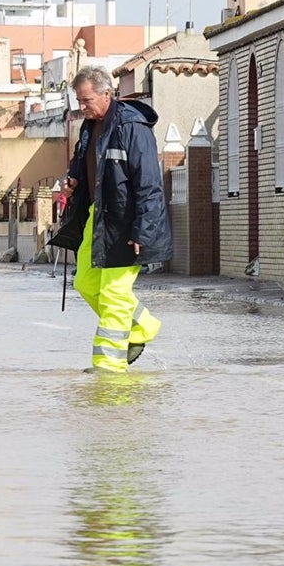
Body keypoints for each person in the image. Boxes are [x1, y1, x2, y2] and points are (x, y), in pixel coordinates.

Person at [59, 65, 172, 373]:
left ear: (106, 93)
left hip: (126, 221)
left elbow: (149, 183)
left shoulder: (131, 127)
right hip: (98, 217)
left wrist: (142, 231)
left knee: (114, 294)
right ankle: (143, 325)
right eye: (79, 101)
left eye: (86, 101)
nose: (82, 108)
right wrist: (73, 178)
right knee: (85, 283)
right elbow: (80, 162)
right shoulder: (89, 127)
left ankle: (109, 365)